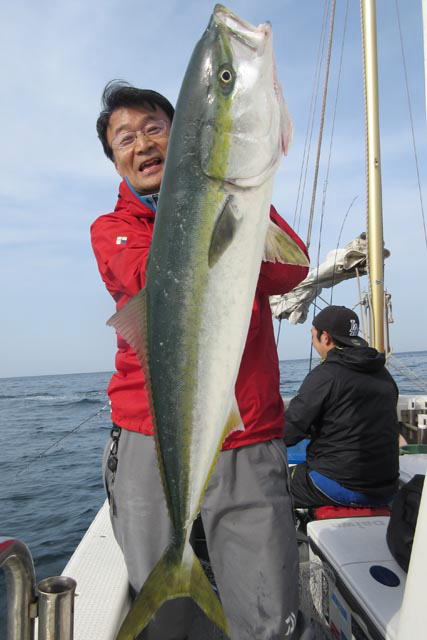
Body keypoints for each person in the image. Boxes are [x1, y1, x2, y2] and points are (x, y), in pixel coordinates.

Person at [91, 80, 309, 640]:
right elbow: (156, 280)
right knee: (165, 616)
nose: (142, 144)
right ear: (114, 159)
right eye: (125, 138)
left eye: (155, 128)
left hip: (247, 427)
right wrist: (211, 214)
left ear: (184, 136)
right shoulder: (113, 230)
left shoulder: (238, 202)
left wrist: (242, 197)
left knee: (267, 608)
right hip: (149, 432)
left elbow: (290, 270)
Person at [284, 305, 400, 509]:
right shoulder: (383, 374)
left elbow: (288, 432)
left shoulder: (325, 375)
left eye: (312, 335)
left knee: (269, 485)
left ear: (325, 337)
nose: (312, 341)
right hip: (386, 488)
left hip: (339, 485)